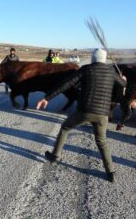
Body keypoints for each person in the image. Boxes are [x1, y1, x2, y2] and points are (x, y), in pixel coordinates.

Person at [36, 48, 127, 183]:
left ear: (93, 58)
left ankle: (55, 156)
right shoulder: (112, 71)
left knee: (65, 128)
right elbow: (122, 85)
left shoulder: (86, 69)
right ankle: (110, 172)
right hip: (103, 114)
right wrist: (123, 80)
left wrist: (47, 98)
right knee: (102, 142)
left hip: (84, 111)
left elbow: (66, 84)